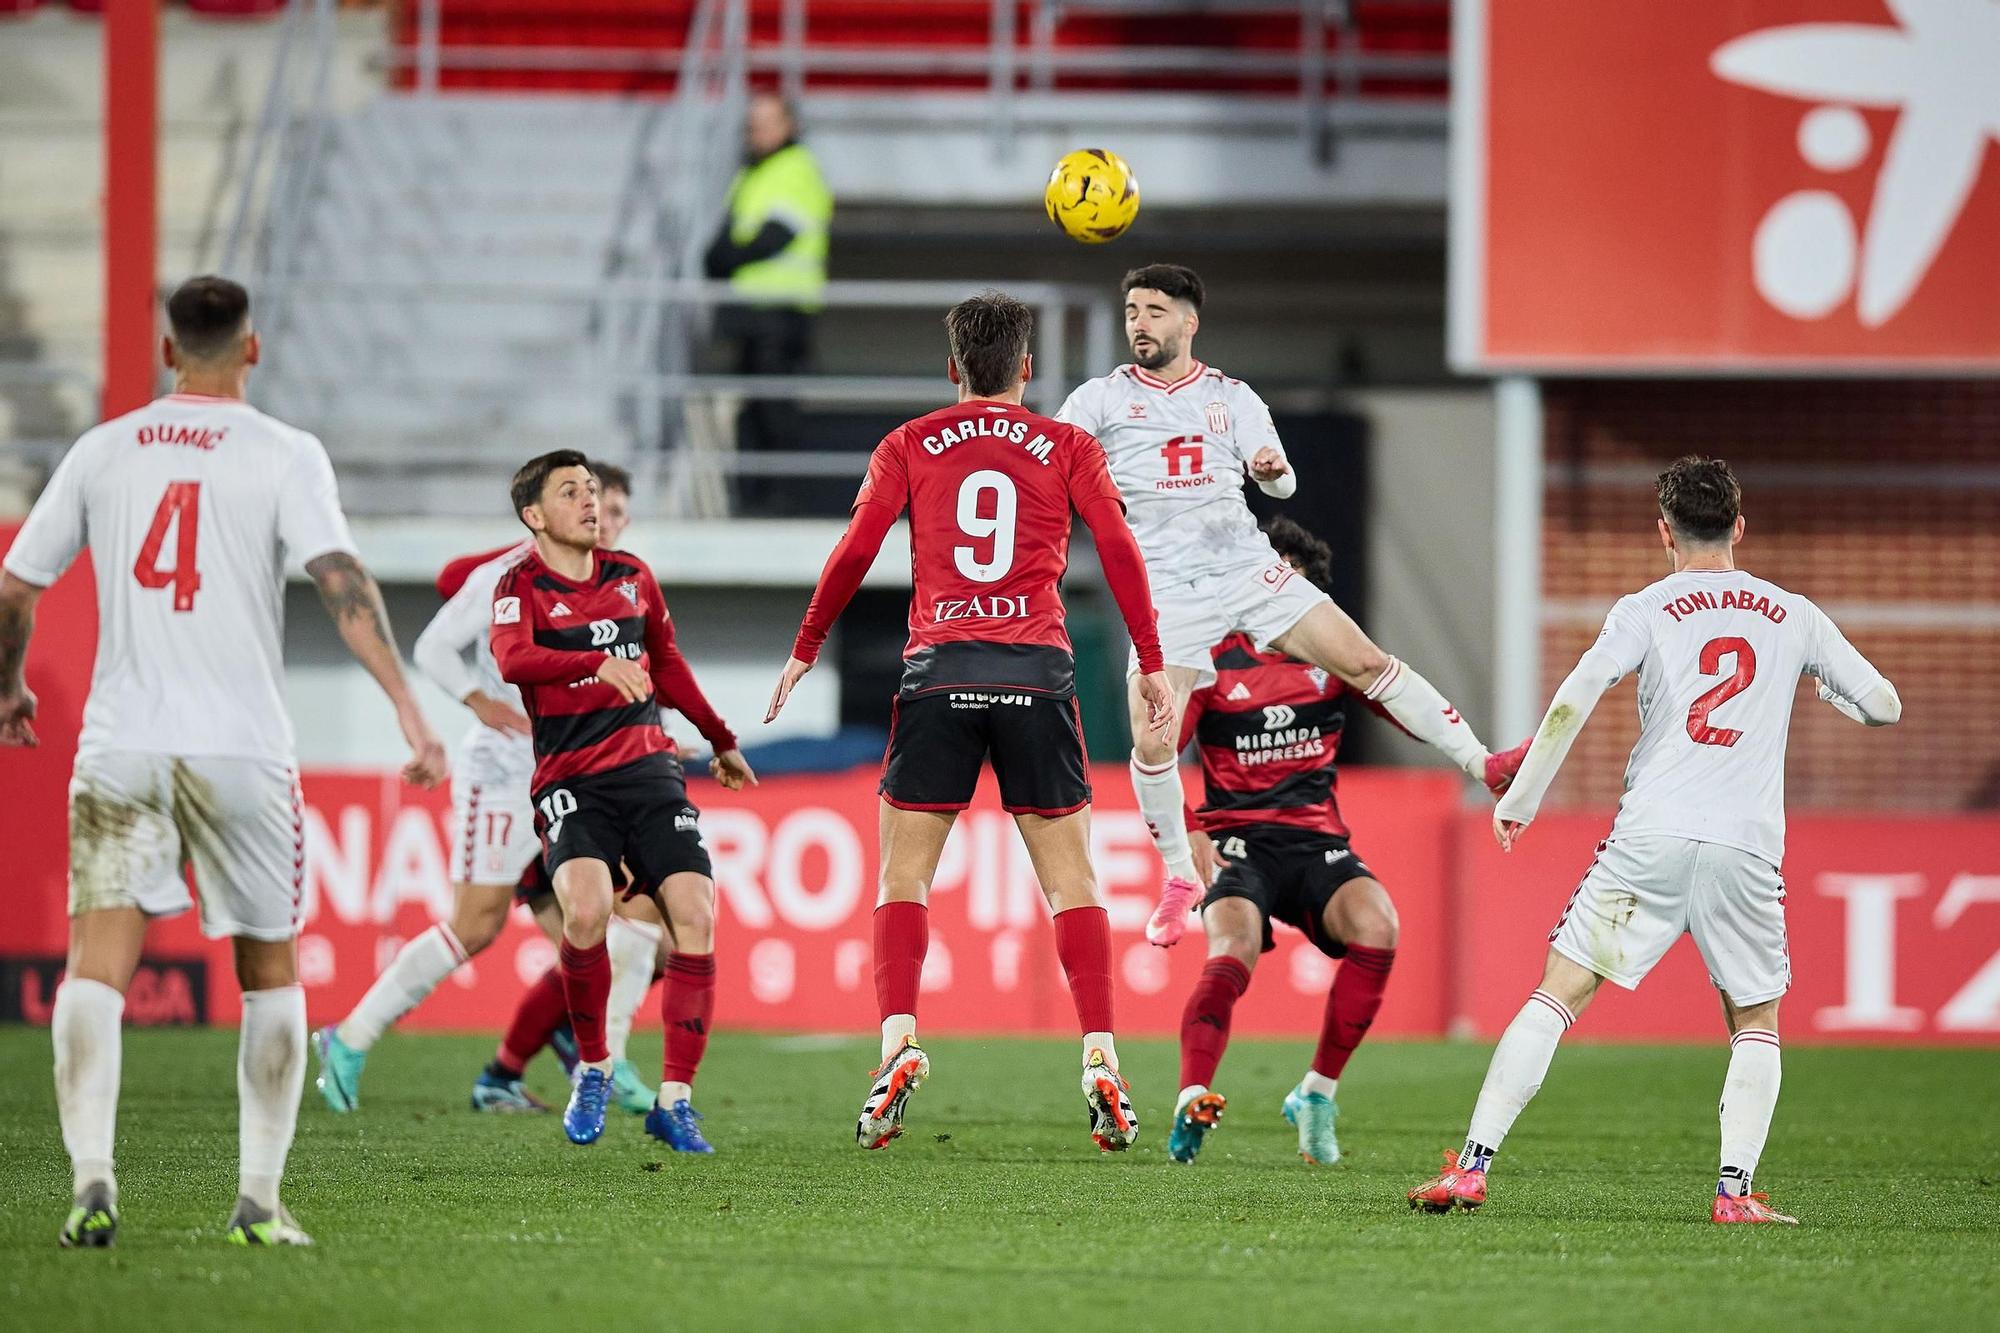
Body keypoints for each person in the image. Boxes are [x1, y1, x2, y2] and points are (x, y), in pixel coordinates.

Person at [0, 275, 447, 1248]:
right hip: (242, 749)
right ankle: (257, 1201)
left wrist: (9, 687)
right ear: (252, 348)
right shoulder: (284, 451)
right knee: (270, 970)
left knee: (95, 967)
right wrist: (408, 706)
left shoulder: (103, 449)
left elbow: (16, 587)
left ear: (169, 351)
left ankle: (91, 1177)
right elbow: (339, 579)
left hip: (123, 743)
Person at [1408, 457, 1902, 1225]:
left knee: (1558, 992)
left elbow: (1578, 692)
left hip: (1652, 834)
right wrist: (1822, 685)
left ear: (1664, 531)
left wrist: (1523, 794)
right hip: (1746, 846)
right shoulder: (1793, 614)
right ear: (1739, 526)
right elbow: (1884, 705)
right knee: (1755, 1021)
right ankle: (1734, 1193)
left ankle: (1472, 1169)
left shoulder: (1647, 607)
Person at [766, 290, 1173, 1153]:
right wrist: (1149, 654)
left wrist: (806, 645)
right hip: (1037, 675)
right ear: (1026, 367)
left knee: (902, 878)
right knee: (1073, 882)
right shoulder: (1070, 445)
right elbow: (1119, 547)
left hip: (940, 674)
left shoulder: (909, 443)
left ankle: (898, 1042)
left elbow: (856, 548)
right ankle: (1100, 1052)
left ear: (953, 366)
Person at [1056, 263, 1517, 943]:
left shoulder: (1232, 396)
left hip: (1245, 568)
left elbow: (1280, 483)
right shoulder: (1099, 399)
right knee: (1151, 736)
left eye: (1154, 311)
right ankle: (1181, 877)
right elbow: (1048, 462)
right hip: (1166, 590)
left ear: (1189, 321)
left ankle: (1483, 762)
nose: (1139, 324)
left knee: (1364, 660)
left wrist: (1273, 471)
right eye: (1131, 312)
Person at [1165, 519, 1528, 1167]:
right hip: (1237, 839)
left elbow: (1406, 707)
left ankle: (1316, 1093)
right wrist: (1187, 825)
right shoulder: (1211, 658)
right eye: (1266, 580)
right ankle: (1192, 1093)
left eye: (1290, 586)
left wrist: (1478, 759)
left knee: (1378, 925)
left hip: (1315, 840)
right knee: (1233, 943)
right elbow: (1158, 752)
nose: (1274, 598)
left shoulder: (1331, 659)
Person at [313, 462, 670, 1119]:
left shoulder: (616, 583)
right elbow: (434, 646)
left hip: (577, 776)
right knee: (475, 925)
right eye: (587, 501)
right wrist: (478, 700)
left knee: (640, 911)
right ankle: (351, 1037)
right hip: (506, 775)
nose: (602, 517)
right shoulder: (507, 576)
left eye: (610, 507)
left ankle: (604, 1059)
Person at [490, 450, 755, 1149]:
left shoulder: (633, 576)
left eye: (591, 489)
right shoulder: (518, 585)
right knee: (586, 912)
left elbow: (666, 662)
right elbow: (513, 660)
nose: (589, 501)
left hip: (649, 773)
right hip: (571, 778)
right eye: (570, 491)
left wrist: (721, 737)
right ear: (533, 515)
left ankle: (675, 1100)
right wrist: (595, 662)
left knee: (696, 914)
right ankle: (595, 1067)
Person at [703, 92, 833, 515]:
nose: (755, 131)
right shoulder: (752, 172)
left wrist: (725, 256)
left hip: (782, 311)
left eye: (765, 122)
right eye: (752, 123)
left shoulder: (797, 168)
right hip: (750, 312)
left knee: (776, 408)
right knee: (752, 408)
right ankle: (754, 498)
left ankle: (782, 499)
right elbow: (729, 235)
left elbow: (774, 237)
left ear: (789, 125)